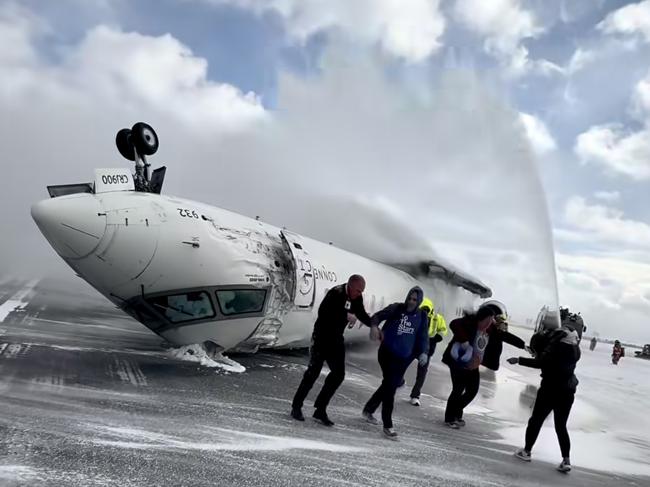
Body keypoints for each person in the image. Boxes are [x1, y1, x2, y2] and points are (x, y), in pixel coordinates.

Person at [291, 275, 380, 426]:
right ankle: (296, 407)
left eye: (362, 292)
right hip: (321, 337)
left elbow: (361, 313)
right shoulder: (336, 293)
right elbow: (323, 313)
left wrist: (374, 325)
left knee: (338, 375)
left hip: (336, 340)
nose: (360, 294)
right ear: (350, 286)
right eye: (358, 291)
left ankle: (320, 409)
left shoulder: (357, 298)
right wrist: (345, 315)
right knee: (312, 373)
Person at [441, 302, 527, 428]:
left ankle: (456, 412)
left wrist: (523, 345)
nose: (490, 322)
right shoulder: (470, 322)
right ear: (481, 318)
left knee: (472, 390)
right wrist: (464, 341)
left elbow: (505, 336)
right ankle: (450, 418)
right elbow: (454, 323)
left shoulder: (490, 329)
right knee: (458, 389)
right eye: (488, 319)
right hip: (458, 361)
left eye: (492, 319)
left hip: (473, 364)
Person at [510, 326, 581, 473]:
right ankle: (566, 460)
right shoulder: (575, 351)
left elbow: (540, 362)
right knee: (561, 426)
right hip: (567, 392)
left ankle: (527, 451)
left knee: (536, 420)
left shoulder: (556, 348)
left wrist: (518, 360)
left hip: (550, 389)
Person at [361, 287, 429, 438]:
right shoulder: (397, 308)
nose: (411, 302)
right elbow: (378, 316)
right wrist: (373, 326)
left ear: (419, 301)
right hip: (387, 353)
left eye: (415, 300)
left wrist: (424, 352)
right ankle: (388, 425)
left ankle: (368, 410)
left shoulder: (422, 316)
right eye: (410, 298)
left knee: (388, 384)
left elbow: (423, 336)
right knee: (390, 387)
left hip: (403, 357)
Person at [409, 297, 447, 406]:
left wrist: (437, 338)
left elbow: (443, 330)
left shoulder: (437, 318)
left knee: (422, 372)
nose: (424, 312)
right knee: (401, 364)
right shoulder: (416, 315)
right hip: (415, 344)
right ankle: (398, 382)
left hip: (428, 347)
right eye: (422, 309)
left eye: (426, 310)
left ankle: (415, 396)